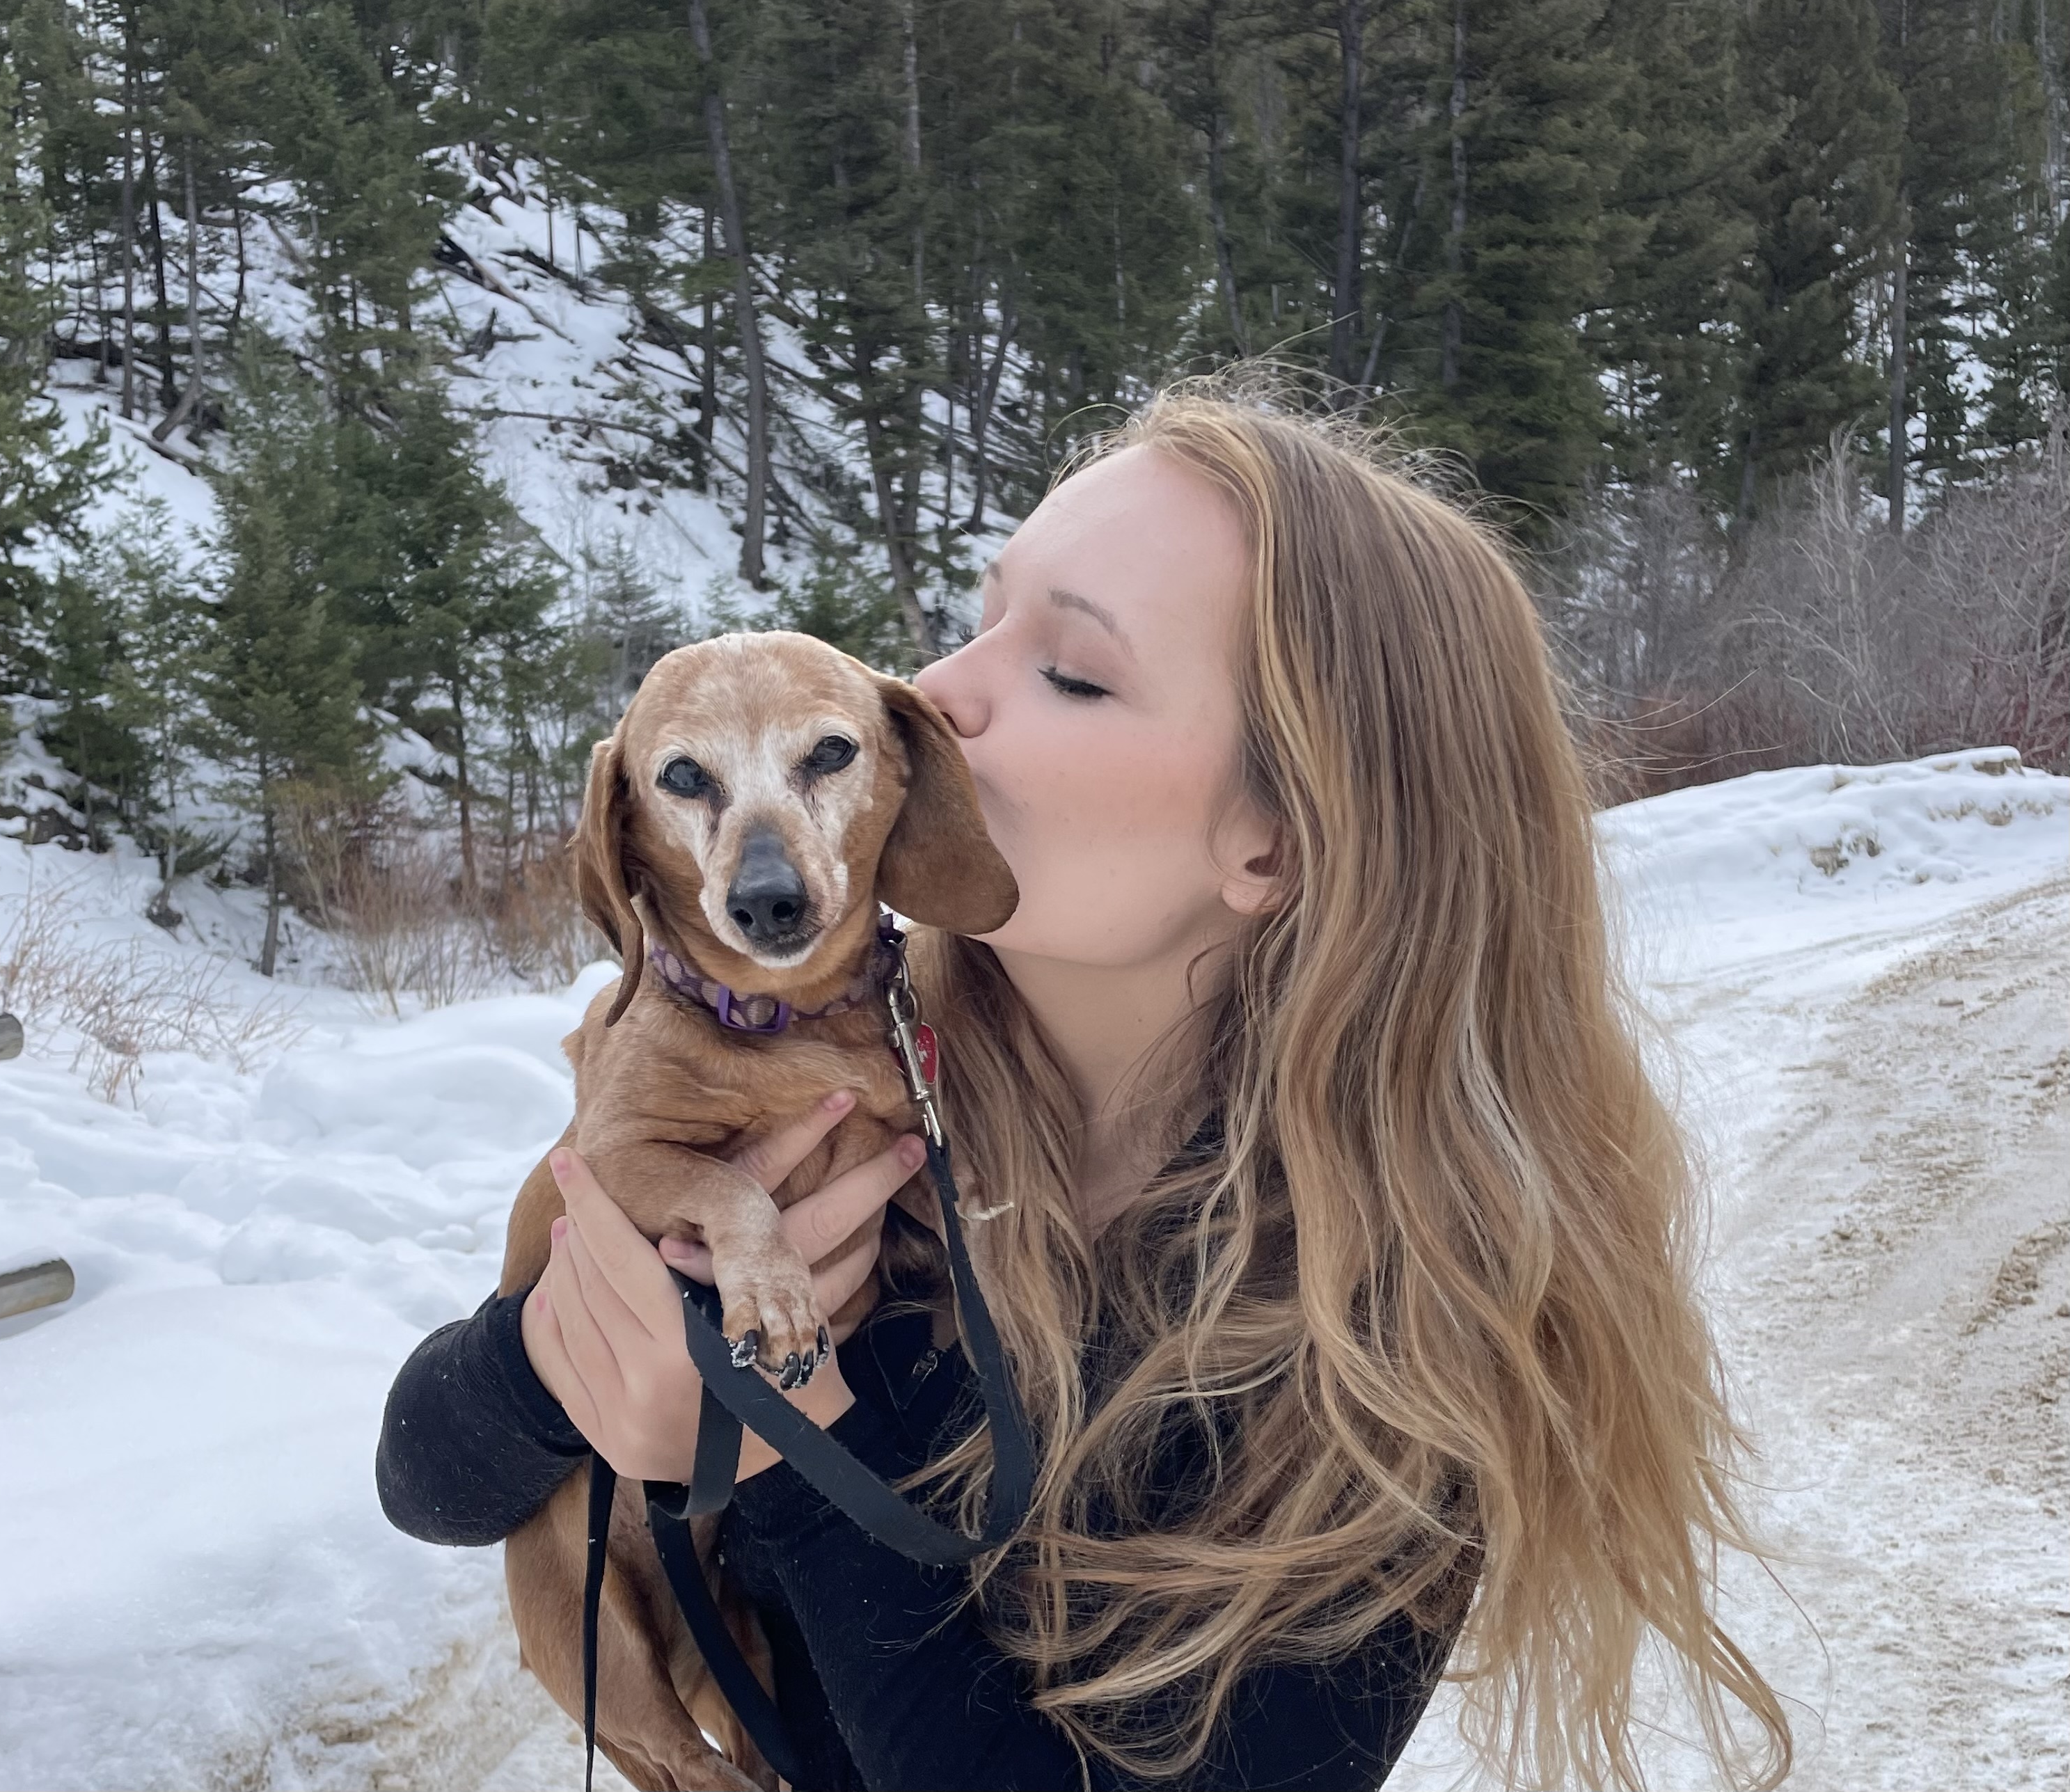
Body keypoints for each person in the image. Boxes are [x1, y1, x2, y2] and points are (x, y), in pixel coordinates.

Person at [377, 388, 1792, 1791]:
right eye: (981, 615)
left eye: (1068, 670)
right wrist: (545, 1365)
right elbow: (429, 1477)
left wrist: (780, 1444)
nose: (939, 689)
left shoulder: (1405, 1334)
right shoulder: (823, 1051)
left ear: (1273, 840)